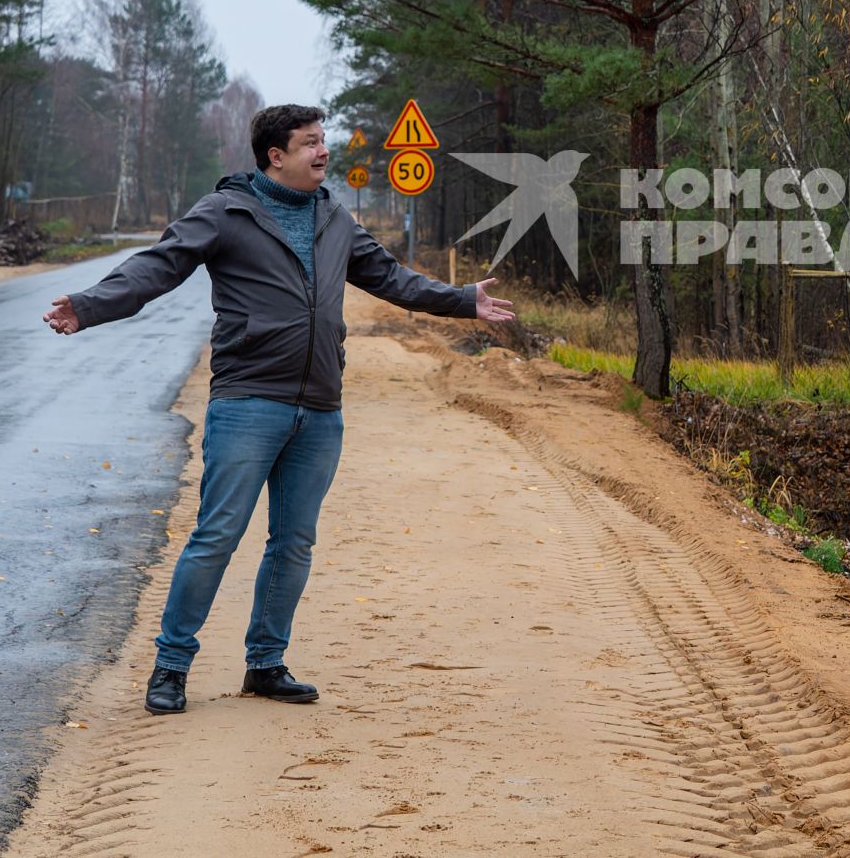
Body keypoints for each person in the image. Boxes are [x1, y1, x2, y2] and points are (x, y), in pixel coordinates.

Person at [42, 104, 514, 715]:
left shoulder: (334, 217)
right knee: (217, 536)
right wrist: (90, 303)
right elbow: (158, 267)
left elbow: (393, 279)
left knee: (293, 543)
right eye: (311, 143)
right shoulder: (226, 212)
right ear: (276, 156)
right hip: (247, 401)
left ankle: (265, 665)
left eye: (324, 142)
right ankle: (171, 666)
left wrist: (462, 300)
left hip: (319, 405)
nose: (324, 152)